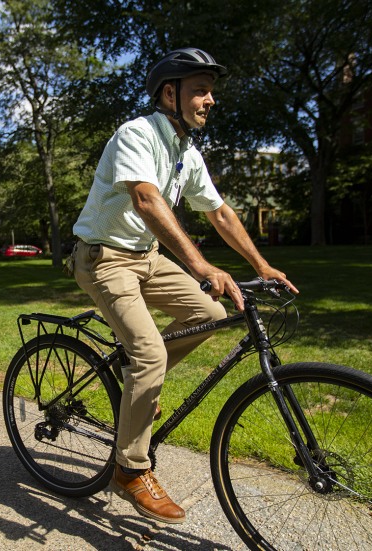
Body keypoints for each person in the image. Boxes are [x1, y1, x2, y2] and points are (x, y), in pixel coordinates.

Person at [70, 48, 298, 524]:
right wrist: (200, 266)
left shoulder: (187, 152)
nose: (210, 100)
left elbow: (218, 213)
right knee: (150, 354)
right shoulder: (137, 133)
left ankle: (138, 390)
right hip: (103, 258)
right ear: (169, 94)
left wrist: (263, 263)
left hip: (146, 258)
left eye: (211, 91)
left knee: (211, 315)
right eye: (200, 89)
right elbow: (147, 201)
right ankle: (130, 469)